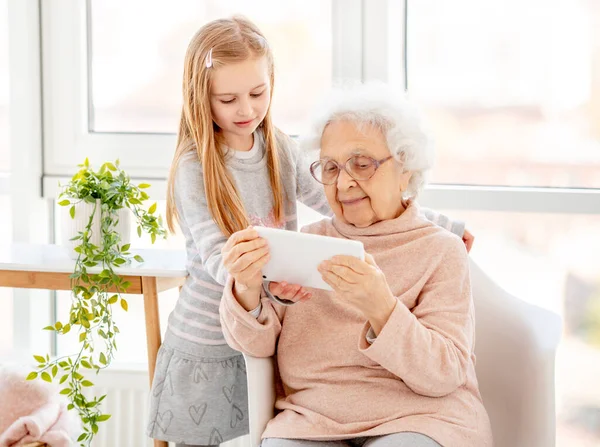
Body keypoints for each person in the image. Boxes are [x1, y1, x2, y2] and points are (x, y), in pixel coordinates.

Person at [147, 16, 471, 447]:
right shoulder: (196, 169)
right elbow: (216, 256)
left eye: (258, 94)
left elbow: (340, 198)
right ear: (201, 98)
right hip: (215, 331)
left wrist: (443, 227)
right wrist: (257, 283)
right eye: (228, 99)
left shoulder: (280, 149)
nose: (246, 110)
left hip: (271, 306)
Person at [219, 82, 494, 447]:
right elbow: (254, 346)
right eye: (330, 168)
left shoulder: (441, 251)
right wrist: (246, 288)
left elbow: (444, 374)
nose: (344, 182)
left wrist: (381, 308)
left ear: (406, 169)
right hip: (311, 421)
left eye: (362, 164)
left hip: (423, 419)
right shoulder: (306, 242)